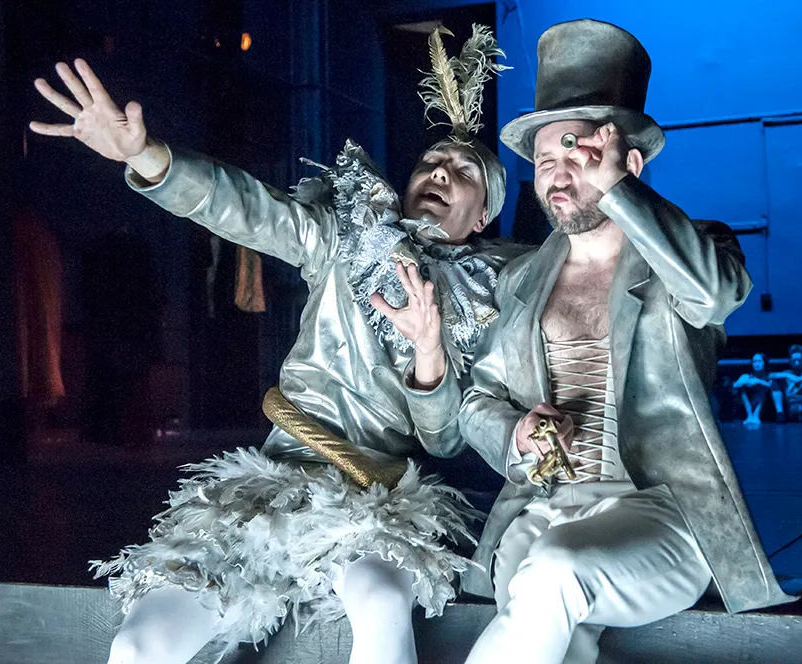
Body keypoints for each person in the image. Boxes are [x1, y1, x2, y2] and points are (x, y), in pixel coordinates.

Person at [30, 26, 521, 664]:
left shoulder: (489, 295)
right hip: (273, 480)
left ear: (482, 216)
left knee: (380, 603)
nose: (440, 173)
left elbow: (446, 439)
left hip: (376, 497)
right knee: (138, 645)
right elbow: (247, 209)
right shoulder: (343, 236)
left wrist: (430, 351)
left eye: (464, 172)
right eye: (431, 162)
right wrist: (147, 155)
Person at [456, 20, 793, 664]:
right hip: (544, 510)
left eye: (579, 156)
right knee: (544, 593)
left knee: (555, 571)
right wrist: (516, 432)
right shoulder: (521, 280)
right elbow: (478, 399)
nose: (558, 177)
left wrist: (620, 193)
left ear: (627, 164)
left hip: (664, 516)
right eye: (545, 162)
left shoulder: (694, 250)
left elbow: (716, 297)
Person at [770, 344, 802, 422]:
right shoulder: (787, 373)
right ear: (790, 361)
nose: (796, 363)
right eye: (794, 361)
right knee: (774, 381)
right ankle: (780, 413)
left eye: (799, 360)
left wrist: (798, 379)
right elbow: (771, 375)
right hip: (789, 405)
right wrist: (788, 375)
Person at [733, 352, 771, 427]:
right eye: (754, 362)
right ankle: (750, 416)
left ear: (764, 362)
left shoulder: (769, 376)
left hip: (765, 406)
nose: (757, 364)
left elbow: (770, 386)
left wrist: (758, 381)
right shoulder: (747, 376)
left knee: (763, 388)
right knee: (742, 389)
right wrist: (746, 381)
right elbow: (735, 385)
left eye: (759, 361)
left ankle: (756, 416)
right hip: (748, 404)